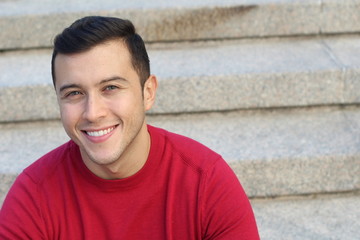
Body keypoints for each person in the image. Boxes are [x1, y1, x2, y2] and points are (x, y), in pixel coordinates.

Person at [0, 16, 259, 239]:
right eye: (74, 93)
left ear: (148, 92)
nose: (93, 112)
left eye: (110, 88)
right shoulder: (33, 196)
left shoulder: (206, 182)